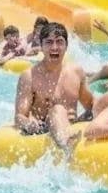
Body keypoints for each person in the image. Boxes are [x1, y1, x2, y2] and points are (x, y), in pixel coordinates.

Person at [13, 22, 93, 158]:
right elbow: (19, 116)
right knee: (58, 110)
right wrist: (28, 124)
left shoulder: (76, 72)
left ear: (66, 46)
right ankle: (66, 145)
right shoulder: (29, 76)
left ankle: (69, 140)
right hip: (44, 129)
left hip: (72, 125)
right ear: (41, 46)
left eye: (59, 42)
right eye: (49, 42)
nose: (54, 47)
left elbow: (91, 106)